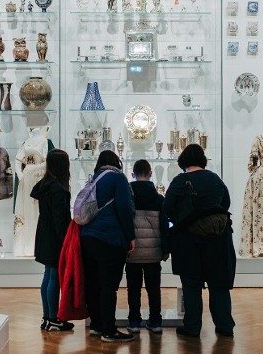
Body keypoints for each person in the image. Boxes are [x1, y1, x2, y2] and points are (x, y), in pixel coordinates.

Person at [162, 144, 236, 338]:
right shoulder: (215, 179)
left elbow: (167, 209)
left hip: (189, 240)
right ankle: (225, 325)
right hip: (219, 239)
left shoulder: (180, 181)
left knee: (192, 285)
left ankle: (192, 327)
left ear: (183, 161)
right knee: (218, 285)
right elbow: (225, 204)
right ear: (202, 160)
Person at [80, 150, 136, 343]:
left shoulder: (93, 179)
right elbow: (124, 207)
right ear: (117, 162)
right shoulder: (117, 178)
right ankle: (109, 330)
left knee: (93, 284)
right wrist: (130, 236)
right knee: (108, 286)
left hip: (87, 237)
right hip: (109, 239)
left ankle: (96, 324)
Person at [31, 149, 75, 332]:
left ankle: (47, 317)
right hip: (55, 238)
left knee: (48, 276)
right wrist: (66, 239)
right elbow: (60, 219)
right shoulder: (58, 188)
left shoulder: (45, 184)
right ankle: (53, 318)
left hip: (44, 234)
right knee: (54, 277)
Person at [125, 160, 169, 334]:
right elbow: (165, 226)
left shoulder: (128, 197)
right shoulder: (159, 199)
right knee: (153, 288)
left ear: (132, 174)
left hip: (132, 251)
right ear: (151, 174)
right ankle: (155, 321)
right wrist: (166, 249)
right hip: (153, 251)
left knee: (133, 289)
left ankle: (134, 321)